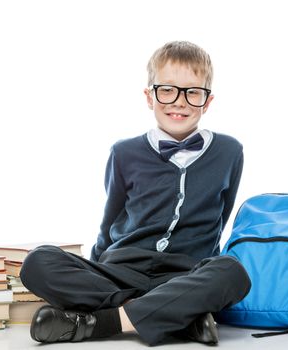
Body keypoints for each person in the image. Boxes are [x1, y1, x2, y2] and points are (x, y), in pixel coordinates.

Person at [20, 40, 251, 346]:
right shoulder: (124, 152)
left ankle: (103, 322)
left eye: (192, 92)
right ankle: (177, 316)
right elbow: (110, 220)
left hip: (183, 274)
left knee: (233, 272)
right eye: (167, 90)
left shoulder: (229, 151)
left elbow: (221, 219)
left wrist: (202, 278)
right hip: (121, 271)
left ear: (207, 101)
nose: (179, 102)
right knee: (38, 261)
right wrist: (93, 269)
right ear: (149, 96)